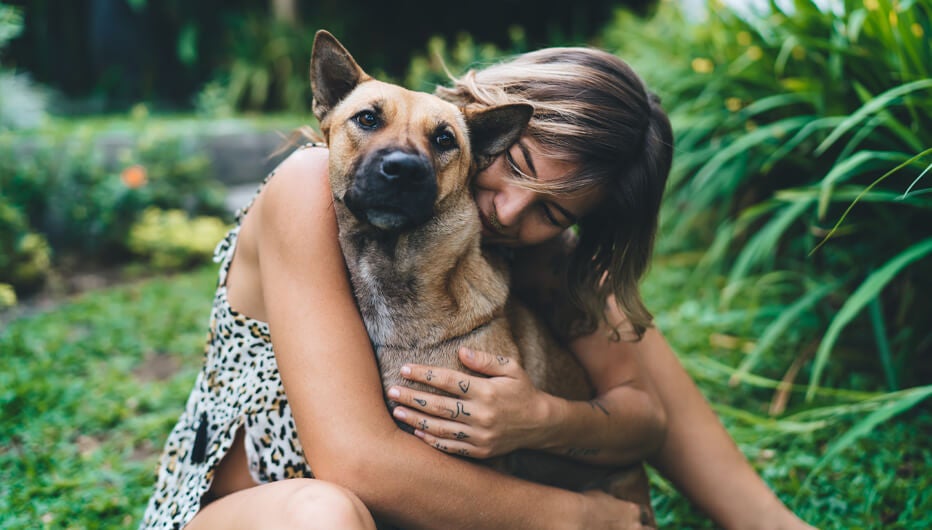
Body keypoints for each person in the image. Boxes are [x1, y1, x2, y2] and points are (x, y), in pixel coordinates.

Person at [140, 45, 813, 530]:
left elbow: (646, 413)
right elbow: (357, 464)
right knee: (327, 514)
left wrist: (544, 420)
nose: (511, 213)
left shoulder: (541, 257)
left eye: (553, 210)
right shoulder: (311, 187)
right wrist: (581, 517)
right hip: (264, 506)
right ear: (489, 124)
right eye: (513, 164)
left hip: (403, 513)